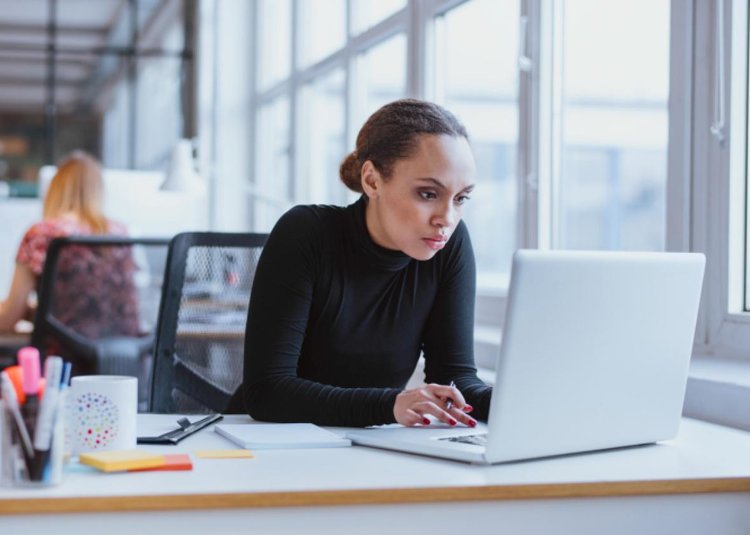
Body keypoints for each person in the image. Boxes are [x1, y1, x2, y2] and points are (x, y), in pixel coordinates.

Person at [244, 98, 492, 428]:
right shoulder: (306, 233)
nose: (447, 219)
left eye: (460, 199)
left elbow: (455, 379)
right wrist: (390, 405)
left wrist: (527, 401)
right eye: (428, 194)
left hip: (369, 447)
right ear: (372, 180)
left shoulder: (450, 245)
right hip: (270, 446)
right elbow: (266, 392)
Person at [0, 151, 138, 347]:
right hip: (123, 362)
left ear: (56, 189)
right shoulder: (120, 234)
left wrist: (15, 311)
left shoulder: (42, 234)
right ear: (98, 192)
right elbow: (93, 310)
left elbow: (8, 319)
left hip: (62, 361)